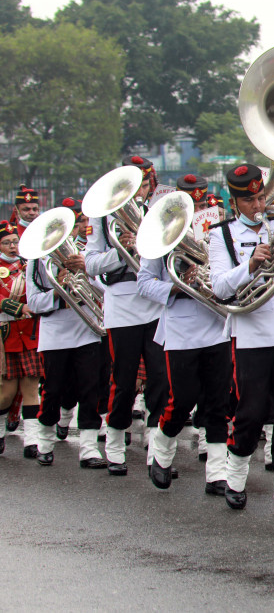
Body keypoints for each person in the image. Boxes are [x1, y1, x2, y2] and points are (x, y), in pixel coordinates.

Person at [209, 163, 274, 515]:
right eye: (250, 200)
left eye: (261, 197)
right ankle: (236, 475)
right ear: (235, 202)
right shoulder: (220, 234)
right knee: (250, 411)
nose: (258, 205)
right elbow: (219, 287)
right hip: (250, 331)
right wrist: (249, 265)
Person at [139, 174, 234, 494]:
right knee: (182, 400)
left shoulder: (219, 233)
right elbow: (144, 283)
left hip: (216, 326)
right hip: (181, 330)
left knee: (218, 403)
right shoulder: (162, 236)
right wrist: (181, 286)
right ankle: (162, 453)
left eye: (202, 201)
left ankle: (217, 474)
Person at [84, 156, 168, 476]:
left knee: (160, 377)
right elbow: (91, 264)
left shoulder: (155, 214)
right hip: (122, 302)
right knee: (124, 379)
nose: (140, 190)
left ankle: (156, 447)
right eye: (134, 185)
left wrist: (148, 246)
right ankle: (116, 443)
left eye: (145, 184)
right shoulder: (104, 219)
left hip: (155, 301)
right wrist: (123, 249)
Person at [26, 215, 107, 469]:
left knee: (90, 390)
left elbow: (104, 290)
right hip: (55, 334)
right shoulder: (36, 262)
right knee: (53, 390)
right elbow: (34, 303)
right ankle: (45, 443)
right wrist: (60, 288)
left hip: (86, 329)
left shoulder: (82, 254)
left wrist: (84, 270)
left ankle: (89, 448)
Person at [0, 221, 43, 457]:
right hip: (6, 337)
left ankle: (32, 441)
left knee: (30, 388)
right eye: (6, 243)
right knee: (6, 393)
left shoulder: (29, 266)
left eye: (15, 242)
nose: (12, 246)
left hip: (28, 334)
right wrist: (19, 307)